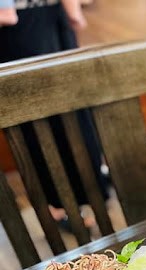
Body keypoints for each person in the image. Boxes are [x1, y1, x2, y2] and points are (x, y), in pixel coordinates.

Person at [0, 0, 107, 228]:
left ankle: (60, 206)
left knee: (36, 123)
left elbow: (6, 14)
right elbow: (75, 17)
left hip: (21, 32)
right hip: (56, 18)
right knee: (73, 110)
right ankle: (93, 188)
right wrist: (73, 13)